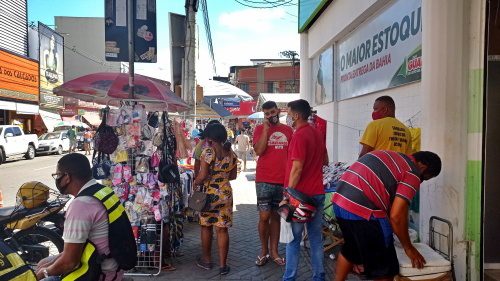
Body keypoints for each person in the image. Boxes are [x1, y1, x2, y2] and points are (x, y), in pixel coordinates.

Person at [332, 150, 442, 281]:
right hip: (363, 209)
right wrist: (409, 248)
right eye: (425, 178)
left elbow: (393, 208)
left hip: (339, 202)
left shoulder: (394, 156)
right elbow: (397, 217)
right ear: (423, 167)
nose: (421, 181)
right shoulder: (413, 173)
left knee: (351, 251)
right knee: (385, 269)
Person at [36, 153, 133, 280]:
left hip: (97, 273)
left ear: (67, 177)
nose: (57, 179)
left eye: (57, 175)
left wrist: (41, 274)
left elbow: (70, 262)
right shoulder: (103, 191)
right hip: (113, 266)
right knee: (42, 263)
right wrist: (45, 267)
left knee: (42, 274)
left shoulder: (80, 205)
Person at [282, 99, 328, 281]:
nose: (287, 116)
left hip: (300, 196)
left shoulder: (300, 135)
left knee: (293, 240)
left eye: (289, 112)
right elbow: (325, 159)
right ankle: (319, 276)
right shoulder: (316, 133)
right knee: (316, 239)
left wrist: (288, 194)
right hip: (317, 192)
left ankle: (289, 277)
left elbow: (297, 168)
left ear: (297, 115)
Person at [253, 100, 293, 267]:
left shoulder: (288, 130)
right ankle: (264, 251)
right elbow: (259, 151)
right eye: (267, 114)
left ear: (278, 111)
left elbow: (292, 155)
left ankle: (274, 251)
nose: (270, 116)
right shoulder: (259, 129)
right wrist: (266, 131)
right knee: (264, 216)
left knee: (276, 217)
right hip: (263, 179)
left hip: (282, 180)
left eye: (272, 112)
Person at [194, 123, 238, 276]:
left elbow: (202, 175)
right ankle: (223, 265)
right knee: (222, 229)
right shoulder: (231, 154)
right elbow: (233, 176)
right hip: (225, 194)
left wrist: (195, 183)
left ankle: (206, 260)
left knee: (206, 226)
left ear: (210, 138)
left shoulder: (208, 152)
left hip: (209, 194)